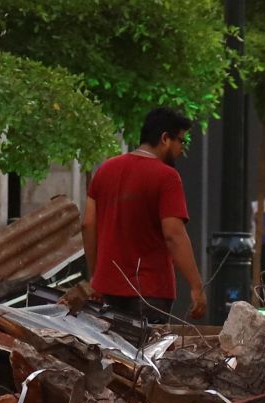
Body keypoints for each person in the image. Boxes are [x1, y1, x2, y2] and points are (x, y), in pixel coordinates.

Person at [82, 107, 206, 323]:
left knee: (112, 355)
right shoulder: (167, 177)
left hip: (108, 289)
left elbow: (87, 224)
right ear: (165, 138)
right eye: (180, 141)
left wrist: (96, 276)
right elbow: (174, 235)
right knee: (144, 354)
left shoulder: (105, 170)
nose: (180, 149)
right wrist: (196, 286)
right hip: (151, 293)